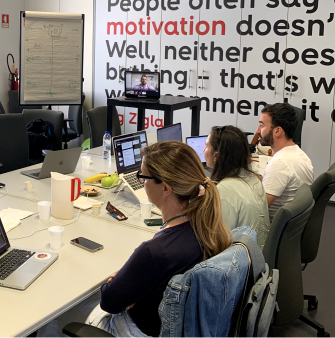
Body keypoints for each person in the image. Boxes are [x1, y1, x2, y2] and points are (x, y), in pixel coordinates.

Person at [87, 141, 232, 337]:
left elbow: (109, 302)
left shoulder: (155, 251)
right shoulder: (208, 229)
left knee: (56, 323)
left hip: (140, 330)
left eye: (143, 176)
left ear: (166, 188)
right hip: (174, 326)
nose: (141, 182)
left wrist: (120, 281)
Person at [204, 125, 270, 250]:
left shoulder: (224, 190)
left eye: (206, 146)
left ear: (216, 156)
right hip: (256, 257)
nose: (203, 150)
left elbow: (217, 244)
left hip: (239, 264)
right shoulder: (253, 178)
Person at [256, 102, 314, 220]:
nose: (257, 131)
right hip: (288, 231)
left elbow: (257, 210)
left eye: (262, 125)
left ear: (277, 131)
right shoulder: (300, 155)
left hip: (268, 229)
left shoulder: (280, 163)